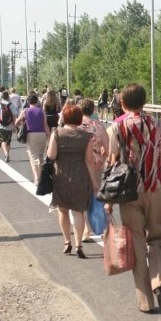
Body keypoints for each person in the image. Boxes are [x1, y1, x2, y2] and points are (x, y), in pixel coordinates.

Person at [105, 84, 161, 313]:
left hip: (128, 192)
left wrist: (108, 199)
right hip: (156, 188)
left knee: (136, 243)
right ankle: (160, 281)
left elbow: (112, 162)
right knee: (157, 237)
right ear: (144, 101)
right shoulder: (159, 125)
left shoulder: (116, 128)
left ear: (123, 104)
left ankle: (146, 301)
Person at [47, 104, 99, 259]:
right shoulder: (86, 136)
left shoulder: (57, 133)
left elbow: (51, 155)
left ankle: (66, 242)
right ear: (78, 118)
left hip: (61, 176)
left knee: (62, 211)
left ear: (64, 117)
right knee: (78, 212)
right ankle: (78, 245)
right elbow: (89, 161)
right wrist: (95, 182)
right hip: (80, 176)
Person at [78, 97, 108, 242]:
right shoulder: (98, 125)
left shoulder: (77, 126)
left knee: (82, 196)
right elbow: (107, 148)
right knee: (98, 196)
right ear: (93, 110)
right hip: (96, 162)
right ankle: (102, 228)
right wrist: (101, 156)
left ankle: (86, 230)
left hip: (80, 163)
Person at [15, 94, 50, 185]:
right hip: (42, 134)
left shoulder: (25, 111)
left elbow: (16, 122)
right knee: (40, 155)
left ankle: (37, 179)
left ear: (28, 102)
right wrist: (49, 137)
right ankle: (42, 174)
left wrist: (21, 124)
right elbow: (45, 126)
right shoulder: (42, 112)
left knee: (33, 156)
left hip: (31, 134)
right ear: (37, 101)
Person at [0, 90, 18, 162]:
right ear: (8, 97)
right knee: (8, 141)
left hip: (0, 126)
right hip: (10, 126)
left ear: (2, 97)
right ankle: (7, 153)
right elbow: (14, 116)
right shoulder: (12, 105)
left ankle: (6, 153)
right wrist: (14, 126)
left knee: (2, 140)